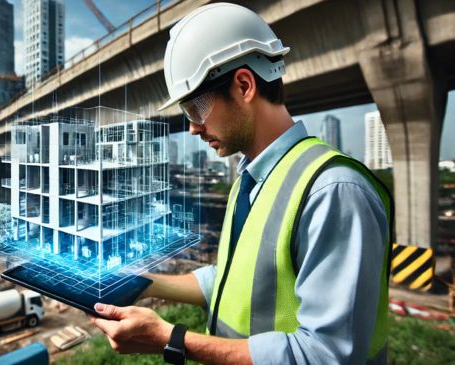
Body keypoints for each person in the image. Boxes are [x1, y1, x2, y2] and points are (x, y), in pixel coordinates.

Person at [89, 3, 393, 365]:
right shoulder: (250, 180)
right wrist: (138, 283)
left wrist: (170, 339)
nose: (192, 127)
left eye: (195, 108)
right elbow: (232, 276)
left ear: (245, 85)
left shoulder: (333, 192)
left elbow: (327, 355)